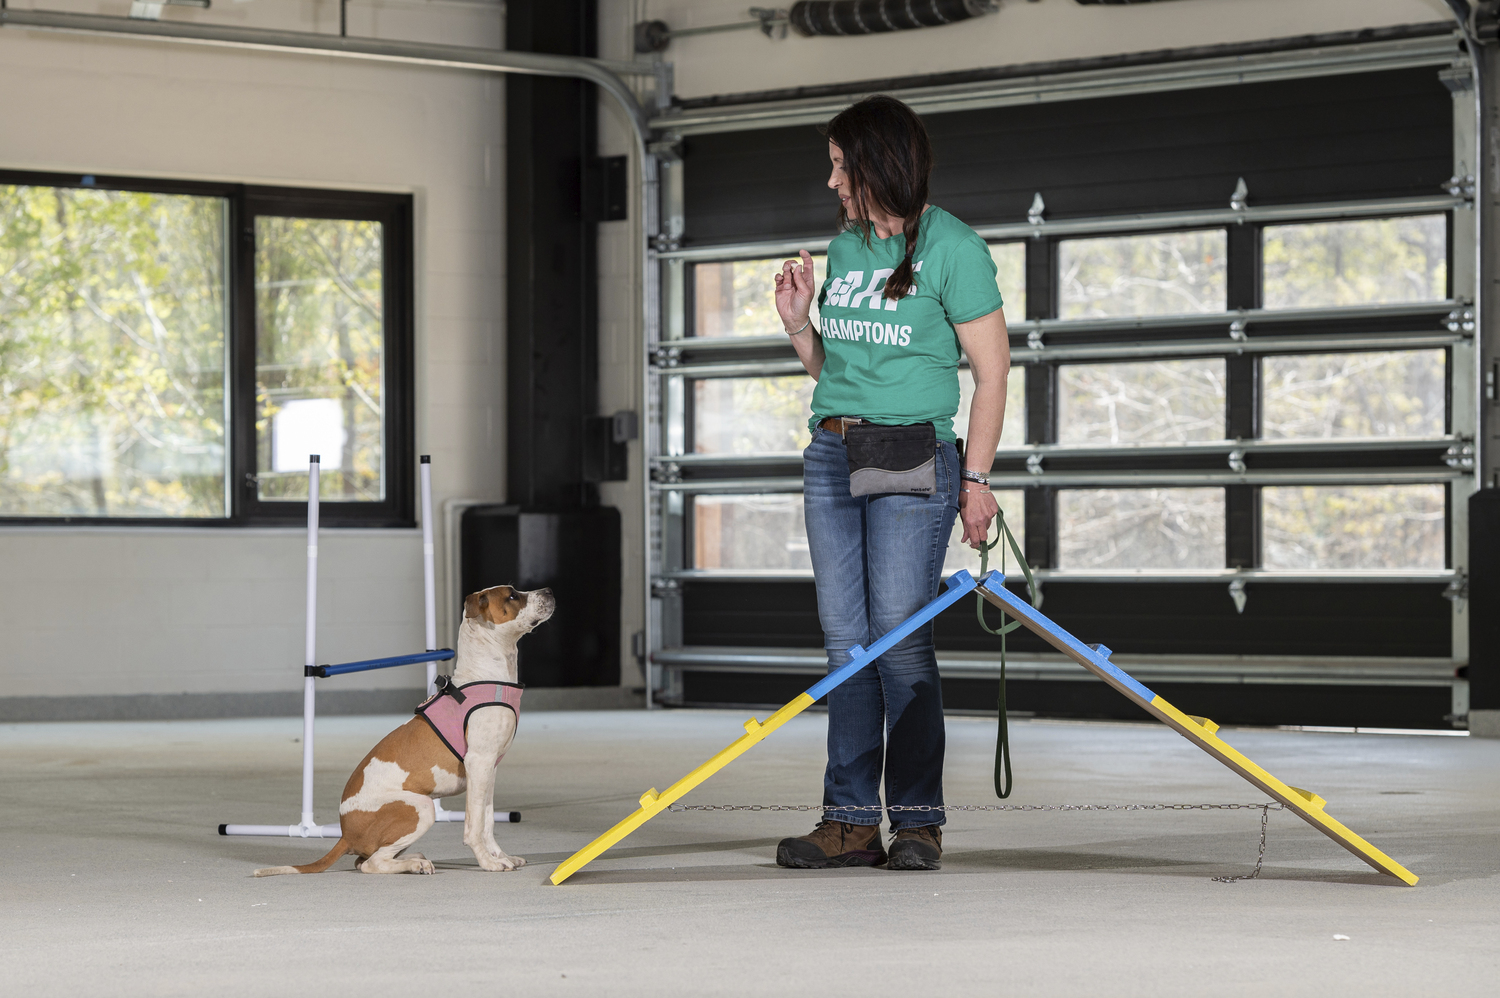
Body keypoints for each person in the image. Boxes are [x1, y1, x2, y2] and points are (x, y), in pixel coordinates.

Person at [772, 94, 1011, 872]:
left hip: (916, 455)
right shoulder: (843, 252)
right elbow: (836, 374)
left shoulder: (954, 248)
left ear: (878, 163)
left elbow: (993, 372)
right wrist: (801, 326)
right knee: (848, 646)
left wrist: (976, 478)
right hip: (833, 451)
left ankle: (916, 819)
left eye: (842, 167)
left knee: (899, 642)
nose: (834, 184)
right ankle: (847, 821)